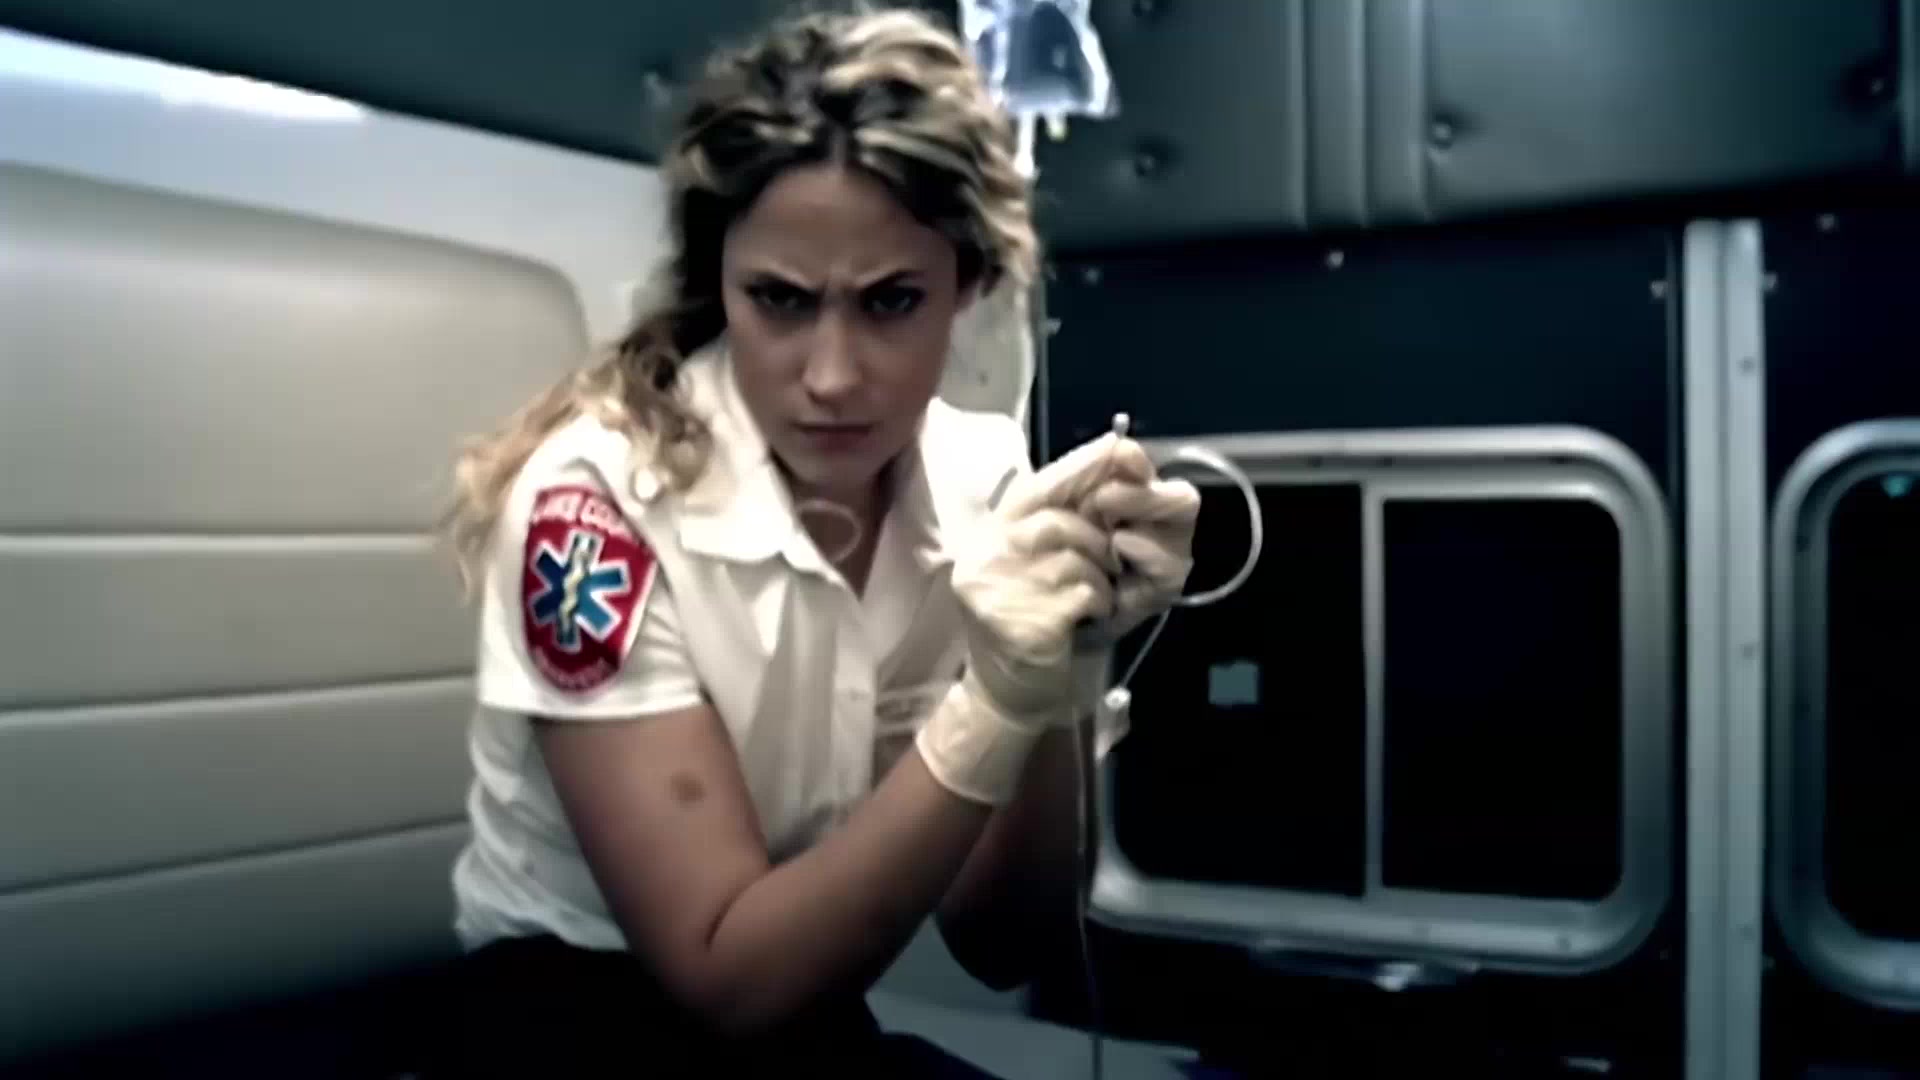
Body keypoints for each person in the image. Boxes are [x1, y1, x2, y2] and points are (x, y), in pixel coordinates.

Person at [424, 7, 1200, 1076]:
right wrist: (993, 705)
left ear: (970, 286)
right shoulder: (594, 507)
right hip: (566, 1016)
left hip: (803, 1015)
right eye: (780, 301)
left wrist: (1066, 670)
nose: (832, 377)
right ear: (719, 282)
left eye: (892, 303)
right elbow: (729, 983)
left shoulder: (979, 485)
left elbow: (1004, 941)